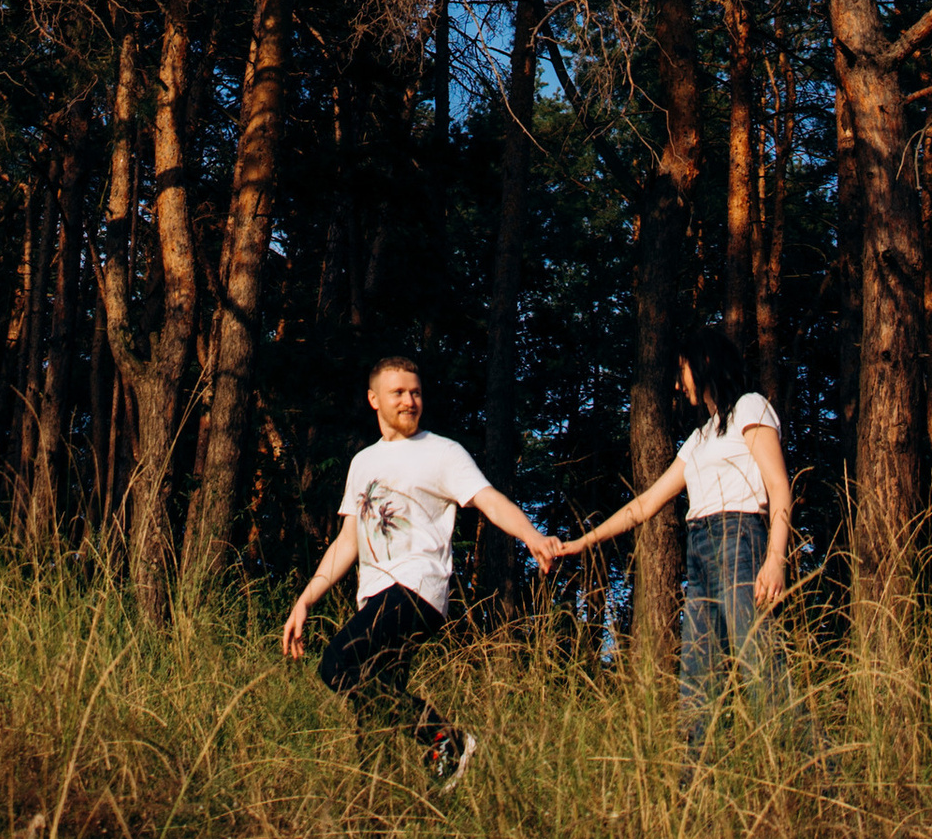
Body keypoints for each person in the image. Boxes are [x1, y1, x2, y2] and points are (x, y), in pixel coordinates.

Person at [281, 351, 558, 786]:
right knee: (374, 715)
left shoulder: (442, 452)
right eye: (398, 393)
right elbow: (348, 542)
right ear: (374, 399)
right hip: (375, 595)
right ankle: (382, 807)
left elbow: (489, 500)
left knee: (336, 663)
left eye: (416, 393)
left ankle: (446, 738)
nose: (410, 401)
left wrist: (532, 536)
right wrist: (305, 600)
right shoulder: (363, 462)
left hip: (416, 587)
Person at [556, 320, 792, 732]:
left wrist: (775, 559)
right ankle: (693, 771)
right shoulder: (700, 438)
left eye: (682, 370)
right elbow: (646, 504)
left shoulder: (750, 407)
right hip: (699, 554)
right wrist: (582, 542)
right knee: (697, 681)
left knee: (759, 666)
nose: (679, 384)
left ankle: (809, 764)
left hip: (739, 542)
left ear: (705, 361)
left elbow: (778, 486)